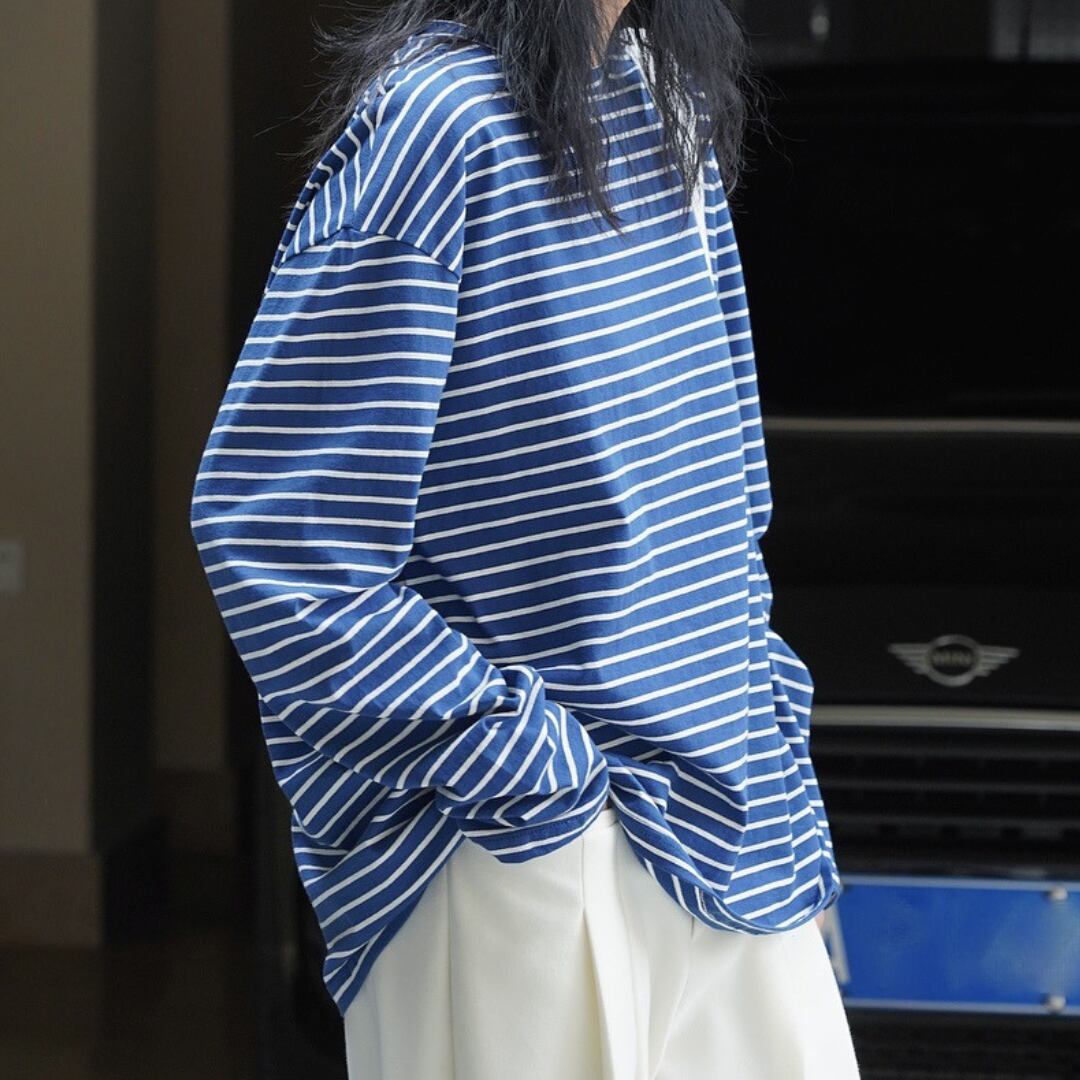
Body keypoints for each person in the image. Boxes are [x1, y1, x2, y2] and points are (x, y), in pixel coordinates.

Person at [189, 1, 862, 1076]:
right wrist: (525, 773)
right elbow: (276, 532)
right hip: (523, 842)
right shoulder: (436, 120)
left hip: (734, 826)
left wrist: (775, 748)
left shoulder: (669, 104)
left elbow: (729, 492)